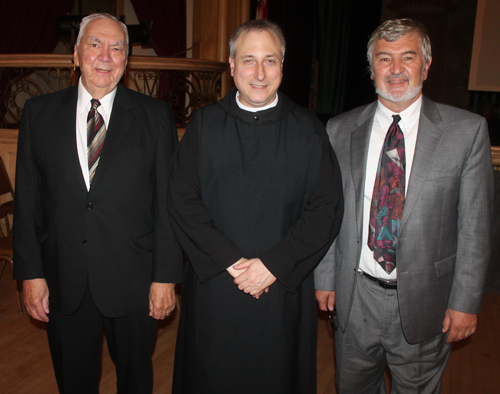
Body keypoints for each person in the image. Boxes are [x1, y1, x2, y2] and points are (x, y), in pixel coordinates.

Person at [315, 18, 493, 393]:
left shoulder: (467, 131)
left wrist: (465, 302)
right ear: (371, 69)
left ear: (426, 66)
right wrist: (326, 278)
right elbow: (328, 212)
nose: (395, 69)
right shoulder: (339, 129)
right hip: (355, 297)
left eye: (407, 57)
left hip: (427, 302)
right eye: (384, 59)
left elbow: (475, 228)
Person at [167, 19, 343, 394]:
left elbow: (326, 208)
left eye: (270, 60)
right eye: (249, 60)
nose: (259, 73)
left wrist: (272, 266)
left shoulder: (308, 129)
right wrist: (232, 262)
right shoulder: (205, 125)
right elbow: (182, 199)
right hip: (217, 284)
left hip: (280, 290)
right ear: (232, 66)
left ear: (283, 65)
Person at [13, 13, 183, 394]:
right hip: (64, 282)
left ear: (127, 59)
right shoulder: (38, 115)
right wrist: (31, 274)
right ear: (75, 54)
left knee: (136, 381)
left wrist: (165, 278)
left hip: (135, 283)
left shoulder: (155, 117)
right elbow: (28, 202)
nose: (105, 56)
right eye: (95, 44)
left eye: (117, 47)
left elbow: (168, 206)